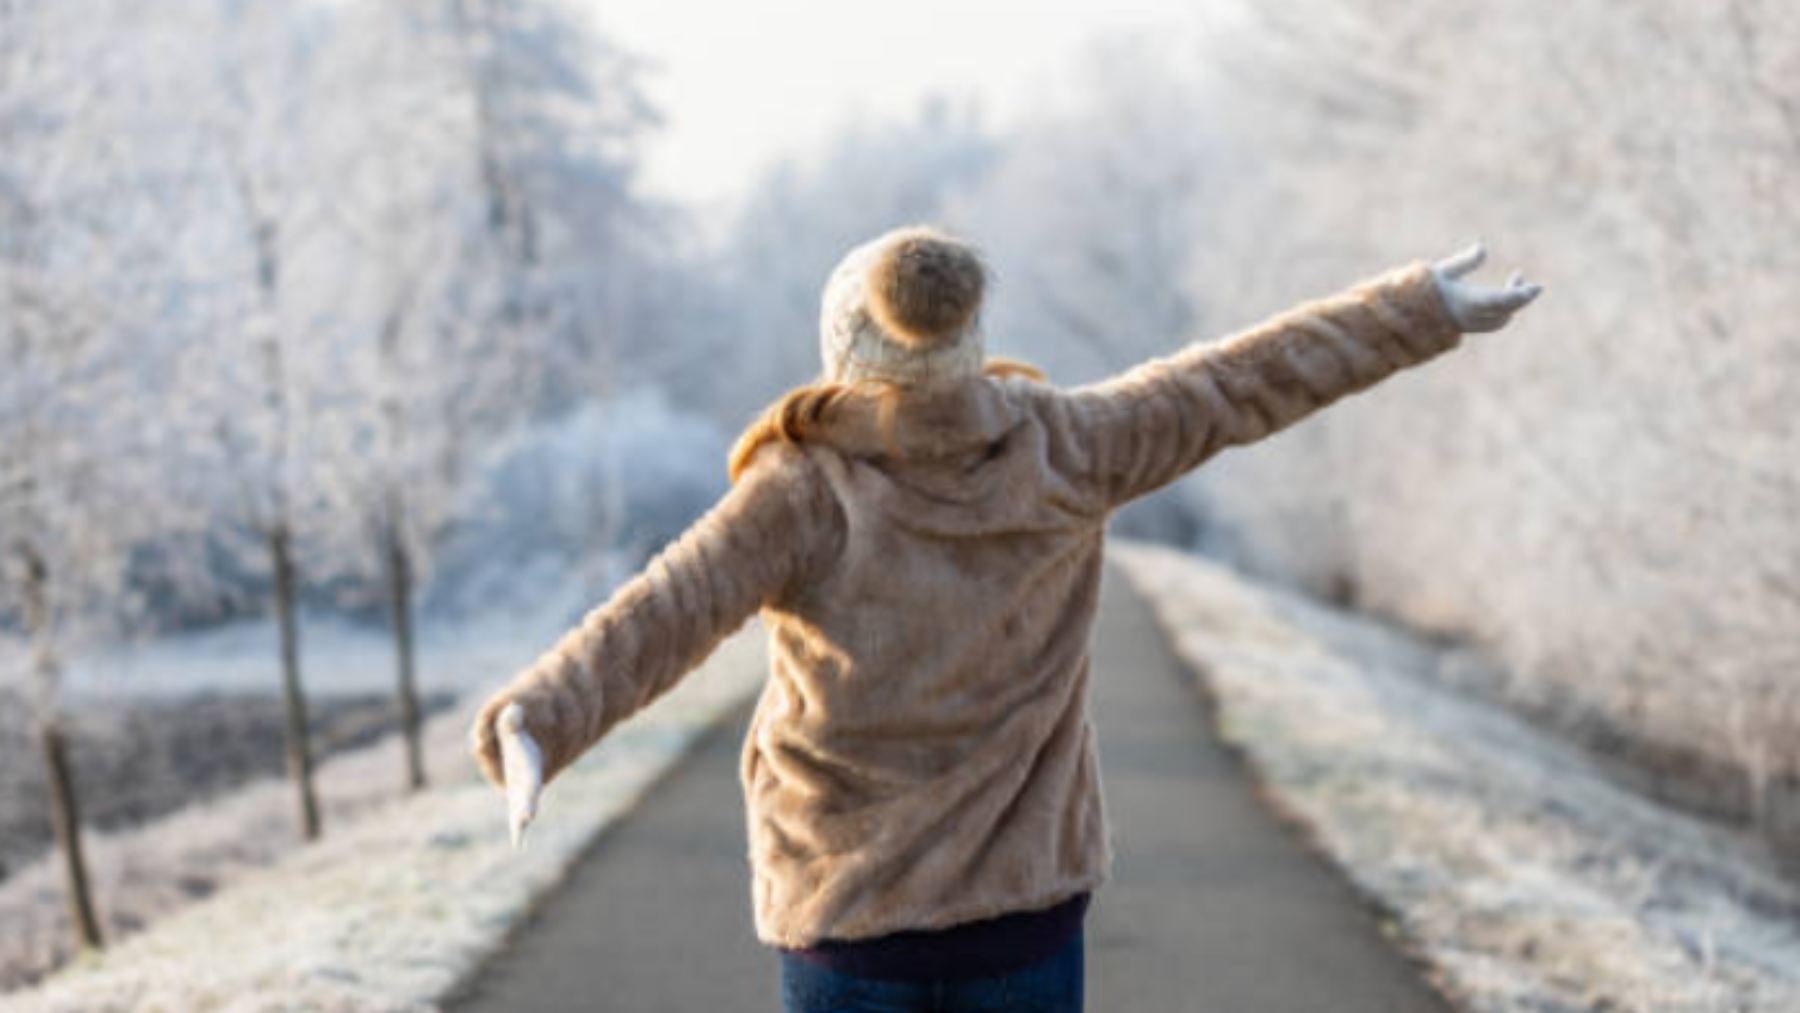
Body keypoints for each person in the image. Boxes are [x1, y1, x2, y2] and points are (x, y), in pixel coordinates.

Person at [469, 225, 1541, 1012]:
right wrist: (1418, 311)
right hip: (1024, 913)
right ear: (968, 337)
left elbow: (662, 612)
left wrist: (538, 716)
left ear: (844, 346)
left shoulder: (801, 487)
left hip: (846, 920)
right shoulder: (1066, 445)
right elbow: (1241, 381)